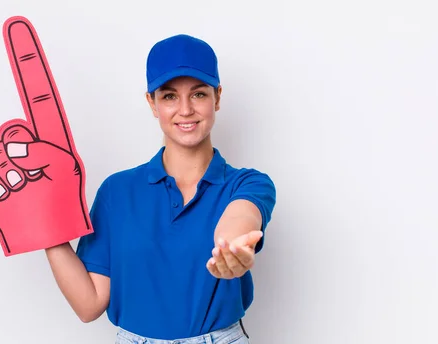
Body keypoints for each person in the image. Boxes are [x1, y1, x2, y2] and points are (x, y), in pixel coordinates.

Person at [44, 33, 276, 343]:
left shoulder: (247, 183)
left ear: (217, 98)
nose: (185, 109)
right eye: (168, 96)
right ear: (152, 103)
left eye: (198, 94)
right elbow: (89, 305)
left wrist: (232, 248)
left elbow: (239, 220)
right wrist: (45, 228)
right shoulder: (116, 192)